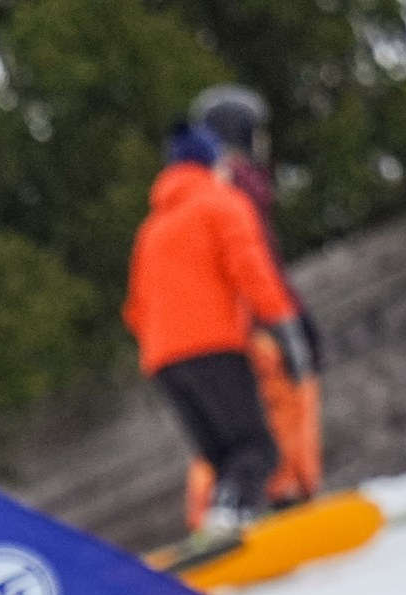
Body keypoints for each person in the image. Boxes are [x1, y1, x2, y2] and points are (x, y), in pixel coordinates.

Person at [122, 121, 314, 555]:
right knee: (257, 448)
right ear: (211, 163)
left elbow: (135, 309)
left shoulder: (150, 230)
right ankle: (228, 522)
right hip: (214, 348)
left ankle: (228, 520)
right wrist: (286, 330)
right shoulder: (221, 204)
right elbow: (252, 272)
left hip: (163, 362)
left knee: (223, 457)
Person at [186, 84, 323, 522]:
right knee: (280, 403)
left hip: (232, 322)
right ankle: (281, 496)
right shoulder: (235, 185)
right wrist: (287, 317)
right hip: (250, 321)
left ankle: (233, 505)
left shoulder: (213, 185)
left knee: (234, 424)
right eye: (258, 133)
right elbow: (253, 262)